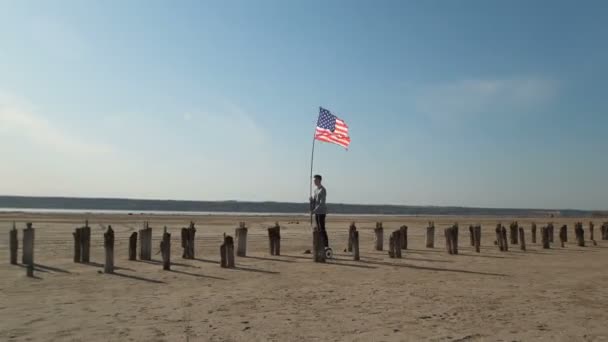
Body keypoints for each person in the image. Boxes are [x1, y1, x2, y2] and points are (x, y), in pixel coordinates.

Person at [310, 174, 329, 248]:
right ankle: (320, 244)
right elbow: (315, 201)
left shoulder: (323, 190)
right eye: (314, 180)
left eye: (315, 180)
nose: (314, 181)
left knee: (322, 229)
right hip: (316, 212)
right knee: (318, 228)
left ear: (319, 180)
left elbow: (322, 203)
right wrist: (311, 201)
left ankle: (326, 246)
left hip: (321, 212)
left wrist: (314, 210)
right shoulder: (315, 190)